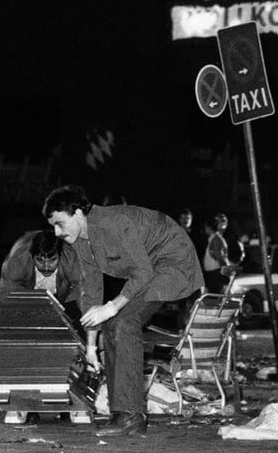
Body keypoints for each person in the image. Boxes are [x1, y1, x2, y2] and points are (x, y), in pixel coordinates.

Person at [43, 185, 204, 436]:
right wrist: (92, 346)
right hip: (152, 266)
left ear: (77, 213)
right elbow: (92, 289)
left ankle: (131, 416)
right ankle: (121, 414)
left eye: (60, 224)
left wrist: (111, 307)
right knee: (113, 323)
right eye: (53, 226)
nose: (57, 232)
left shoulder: (110, 223)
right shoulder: (82, 240)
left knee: (123, 320)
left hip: (174, 261)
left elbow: (142, 273)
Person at [0, 229, 84, 329]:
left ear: (60, 256)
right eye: (40, 260)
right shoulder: (17, 263)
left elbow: (86, 296)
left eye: (52, 260)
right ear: (32, 256)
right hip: (24, 290)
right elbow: (4, 298)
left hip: (64, 295)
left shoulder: (72, 261)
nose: (46, 267)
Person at [202, 214, 232, 293]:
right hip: (214, 274)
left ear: (208, 228)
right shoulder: (214, 238)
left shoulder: (216, 239)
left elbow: (219, 255)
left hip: (216, 274)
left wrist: (224, 269)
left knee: (216, 298)